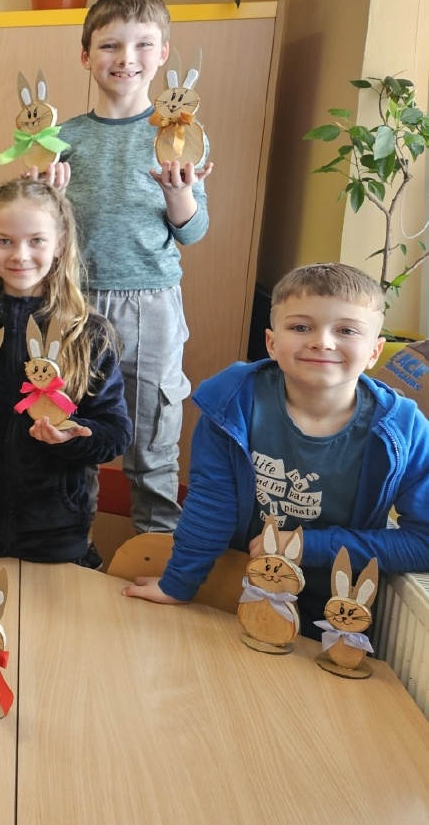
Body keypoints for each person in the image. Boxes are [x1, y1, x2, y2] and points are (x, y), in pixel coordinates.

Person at [124, 263, 429, 633]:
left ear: (374, 351)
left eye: (347, 330)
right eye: (301, 327)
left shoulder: (405, 428)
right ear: (271, 343)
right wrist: (178, 585)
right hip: (230, 595)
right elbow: (211, 505)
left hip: (331, 620)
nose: (322, 342)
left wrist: (307, 546)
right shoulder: (231, 401)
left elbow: (423, 542)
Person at [57, 0, 213, 535]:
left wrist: (179, 194)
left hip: (151, 304)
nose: (126, 58)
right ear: (86, 56)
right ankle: (72, 542)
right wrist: (43, 196)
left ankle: (157, 547)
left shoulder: (179, 136)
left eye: (143, 44)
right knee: (72, 428)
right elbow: (43, 233)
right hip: (74, 302)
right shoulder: (62, 137)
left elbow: (193, 232)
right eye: (110, 45)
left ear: (163, 53)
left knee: (152, 438)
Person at [0, 179, 131, 565]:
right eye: (5, 241)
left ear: (60, 244)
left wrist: (71, 437)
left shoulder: (89, 335)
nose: (20, 255)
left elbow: (115, 433)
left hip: (56, 536)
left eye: (36, 240)